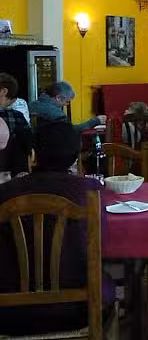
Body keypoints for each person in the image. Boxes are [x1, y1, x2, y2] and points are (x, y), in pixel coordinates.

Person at [0, 121, 113, 336]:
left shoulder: (4, 193)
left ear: (33, 155)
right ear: (76, 157)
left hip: (9, 313)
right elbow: (103, 246)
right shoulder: (90, 192)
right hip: (79, 309)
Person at [28, 81, 106, 132]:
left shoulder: (31, 105)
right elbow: (71, 131)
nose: (67, 104)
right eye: (67, 101)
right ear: (58, 98)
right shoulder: (56, 113)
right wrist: (95, 121)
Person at [0, 74, 32, 178]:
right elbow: (29, 145)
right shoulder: (16, 116)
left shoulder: (12, 116)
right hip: (14, 178)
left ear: (3, 91)